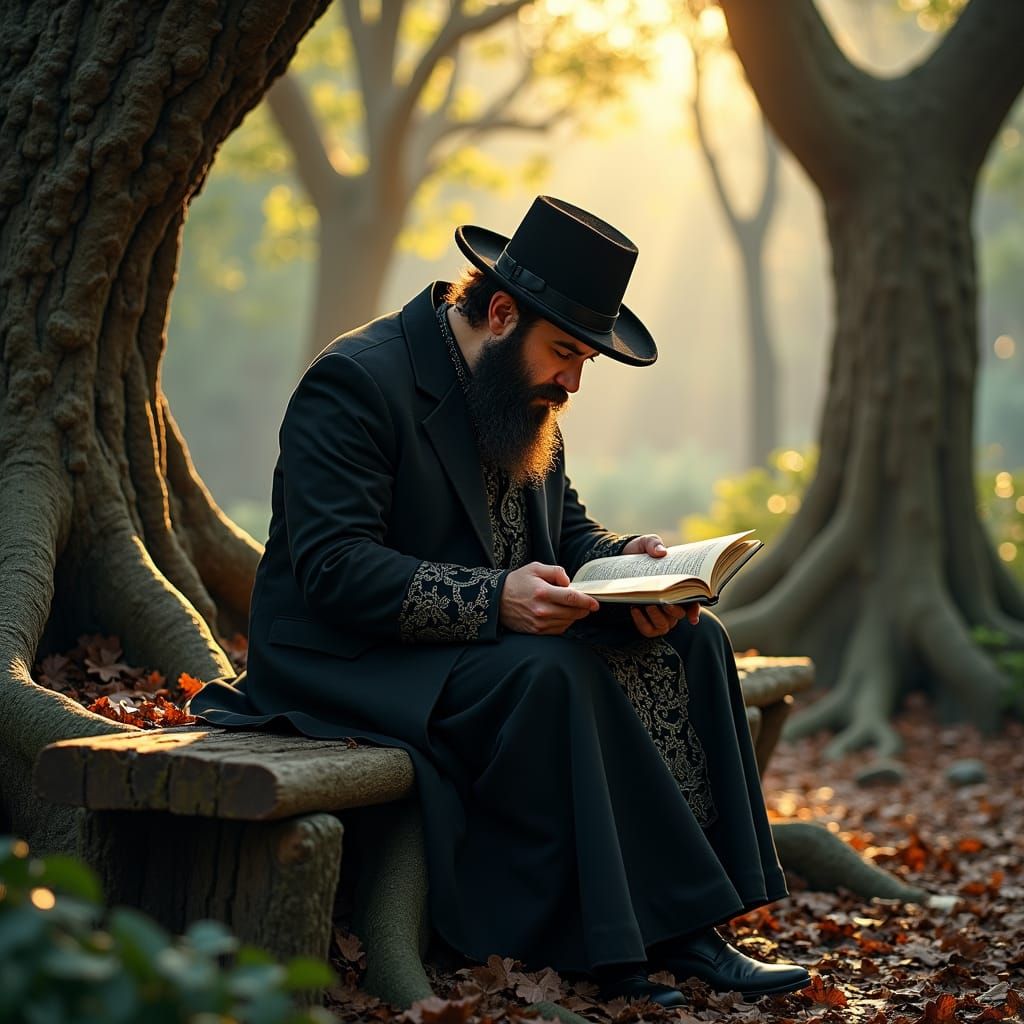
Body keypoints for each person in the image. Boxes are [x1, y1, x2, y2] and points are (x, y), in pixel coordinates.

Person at [190, 196, 811, 1007]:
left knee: (695, 641)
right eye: (566, 353)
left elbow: (566, 531)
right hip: (349, 658)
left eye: (586, 360)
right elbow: (333, 568)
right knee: (551, 674)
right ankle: (613, 943)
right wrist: (496, 600)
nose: (574, 381)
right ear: (502, 314)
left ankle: (692, 926)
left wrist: (629, 564)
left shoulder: (522, 389)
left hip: (479, 645)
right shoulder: (355, 381)